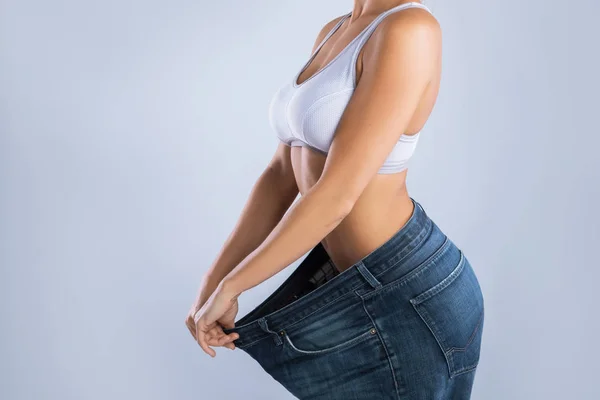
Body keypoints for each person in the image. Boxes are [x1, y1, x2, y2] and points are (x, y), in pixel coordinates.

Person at [185, 1, 485, 398]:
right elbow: (280, 175)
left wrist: (234, 286)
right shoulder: (336, 29)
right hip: (351, 285)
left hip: (408, 289)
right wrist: (214, 281)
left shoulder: (410, 29)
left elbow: (337, 193)